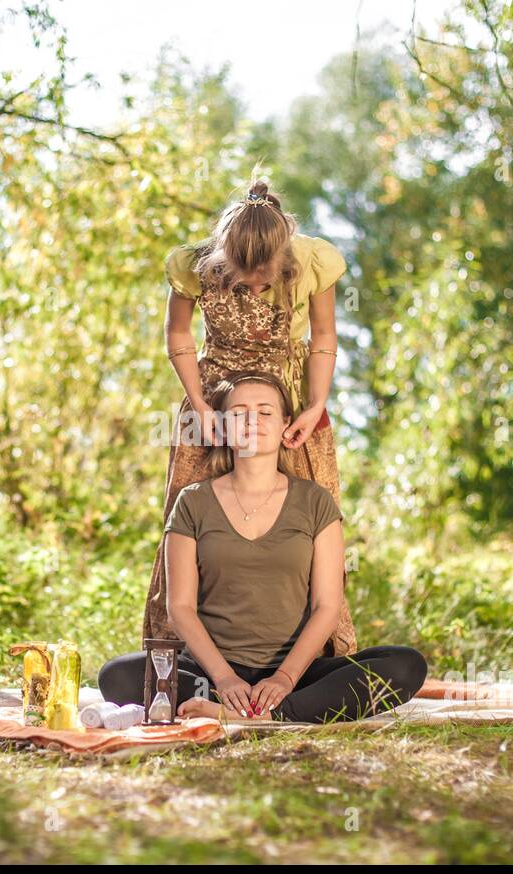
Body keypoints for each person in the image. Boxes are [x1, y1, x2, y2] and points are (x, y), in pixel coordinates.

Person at [106, 372, 427, 724]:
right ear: (223, 426)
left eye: (265, 412)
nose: (252, 421)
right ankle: (247, 708)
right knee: (118, 675)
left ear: (285, 424)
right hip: (211, 675)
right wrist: (225, 678)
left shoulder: (315, 502)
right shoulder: (193, 502)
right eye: (239, 412)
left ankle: (268, 714)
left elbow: (327, 606)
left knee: (406, 664)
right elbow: (180, 607)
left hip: (296, 675)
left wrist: (284, 679)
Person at [141, 177, 361, 659]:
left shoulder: (311, 263)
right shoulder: (194, 265)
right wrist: (200, 407)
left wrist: (315, 405)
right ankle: (179, 661)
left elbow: (323, 338)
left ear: (285, 261)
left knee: (310, 512)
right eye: (247, 279)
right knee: (191, 510)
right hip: (213, 400)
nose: (257, 287)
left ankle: (311, 661)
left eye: (266, 279)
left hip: (292, 403)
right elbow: (179, 336)